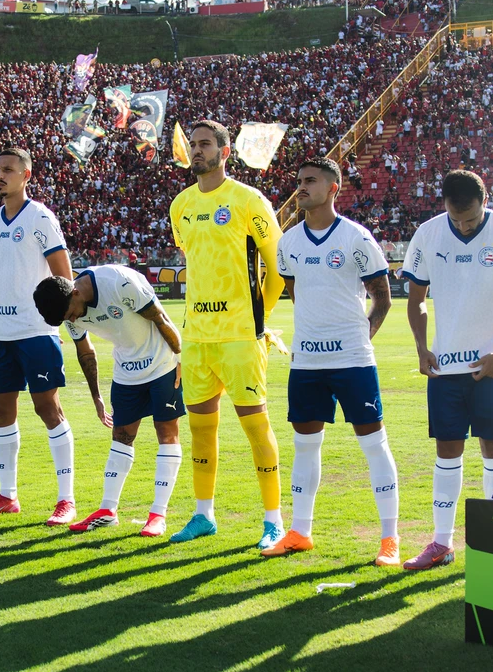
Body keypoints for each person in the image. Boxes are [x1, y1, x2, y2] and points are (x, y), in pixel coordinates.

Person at [263, 159, 400, 564]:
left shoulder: (357, 239)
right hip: (306, 362)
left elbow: (383, 297)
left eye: (310, 181)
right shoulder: (288, 242)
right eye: (299, 181)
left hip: (353, 361)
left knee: (374, 446)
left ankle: (389, 539)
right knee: (305, 447)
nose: (301, 188)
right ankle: (300, 532)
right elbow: (296, 292)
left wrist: (359, 338)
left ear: (333, 188)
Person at [400, 170, 493, 569]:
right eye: (456, 219)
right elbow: (416, 299)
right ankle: (441, 543)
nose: (463, 225)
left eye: (471, 220)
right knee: (447, 451)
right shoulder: (427, 234)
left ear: (485, 202)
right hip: (445, 367)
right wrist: (422, 347)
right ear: (442, 204)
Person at [167, 120, 286, 548]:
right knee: (200, 431)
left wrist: (260, 316)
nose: (196, 151)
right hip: (197, 339)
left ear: (224, 152)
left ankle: (273, 520)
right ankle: (203, 515)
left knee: (256, 428)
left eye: (205, 145)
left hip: (240, 337)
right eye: (192, 145)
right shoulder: (179, 205)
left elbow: (277, 267)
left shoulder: (247, 199)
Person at [32, 265, 185, 537]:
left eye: (71, 313)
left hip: (162, 362)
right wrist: (97, 397)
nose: (73, 319)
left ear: (76, 293)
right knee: (122, 435)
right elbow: (85, 352)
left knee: (166, 432)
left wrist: (180, 359)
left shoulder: (118, 282)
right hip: (126, 369)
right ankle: (107, 510)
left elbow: (160, 318)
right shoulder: (67, 310)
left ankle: (158, 515)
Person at [0, 146, 78, 525]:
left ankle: (67, 499)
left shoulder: (41, 218)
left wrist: (60, 323)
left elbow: (63, 277)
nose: (0, 175)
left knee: (48, 408)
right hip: (0, 333)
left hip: (36, 330)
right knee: (1, 411)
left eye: (9, 170)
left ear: (26, 175)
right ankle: (7, 495)